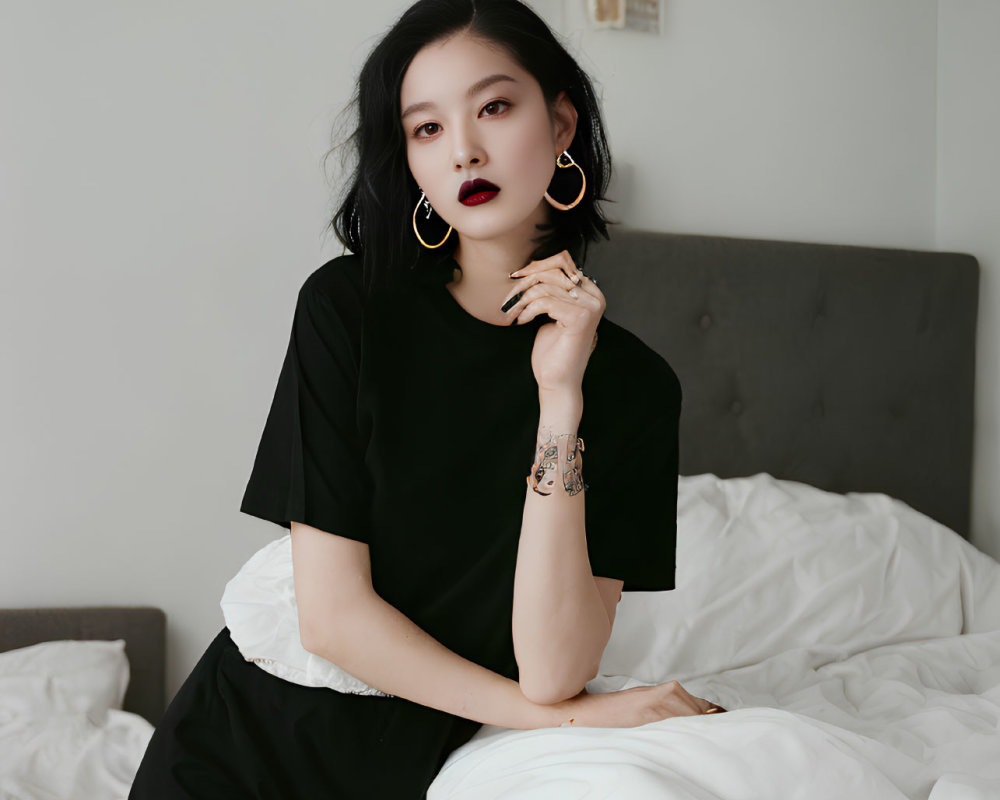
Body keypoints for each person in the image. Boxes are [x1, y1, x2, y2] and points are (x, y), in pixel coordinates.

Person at [128, 1, 725, 797]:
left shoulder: (635, 388)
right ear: (406, 158)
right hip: (244, 747)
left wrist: (560, 401)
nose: (465, 151)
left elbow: (552, 668)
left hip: (418, 766)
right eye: (427, 129)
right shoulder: (349, 310)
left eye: (495, 107)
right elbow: (333, 619)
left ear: (561, 124)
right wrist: (568, 722)